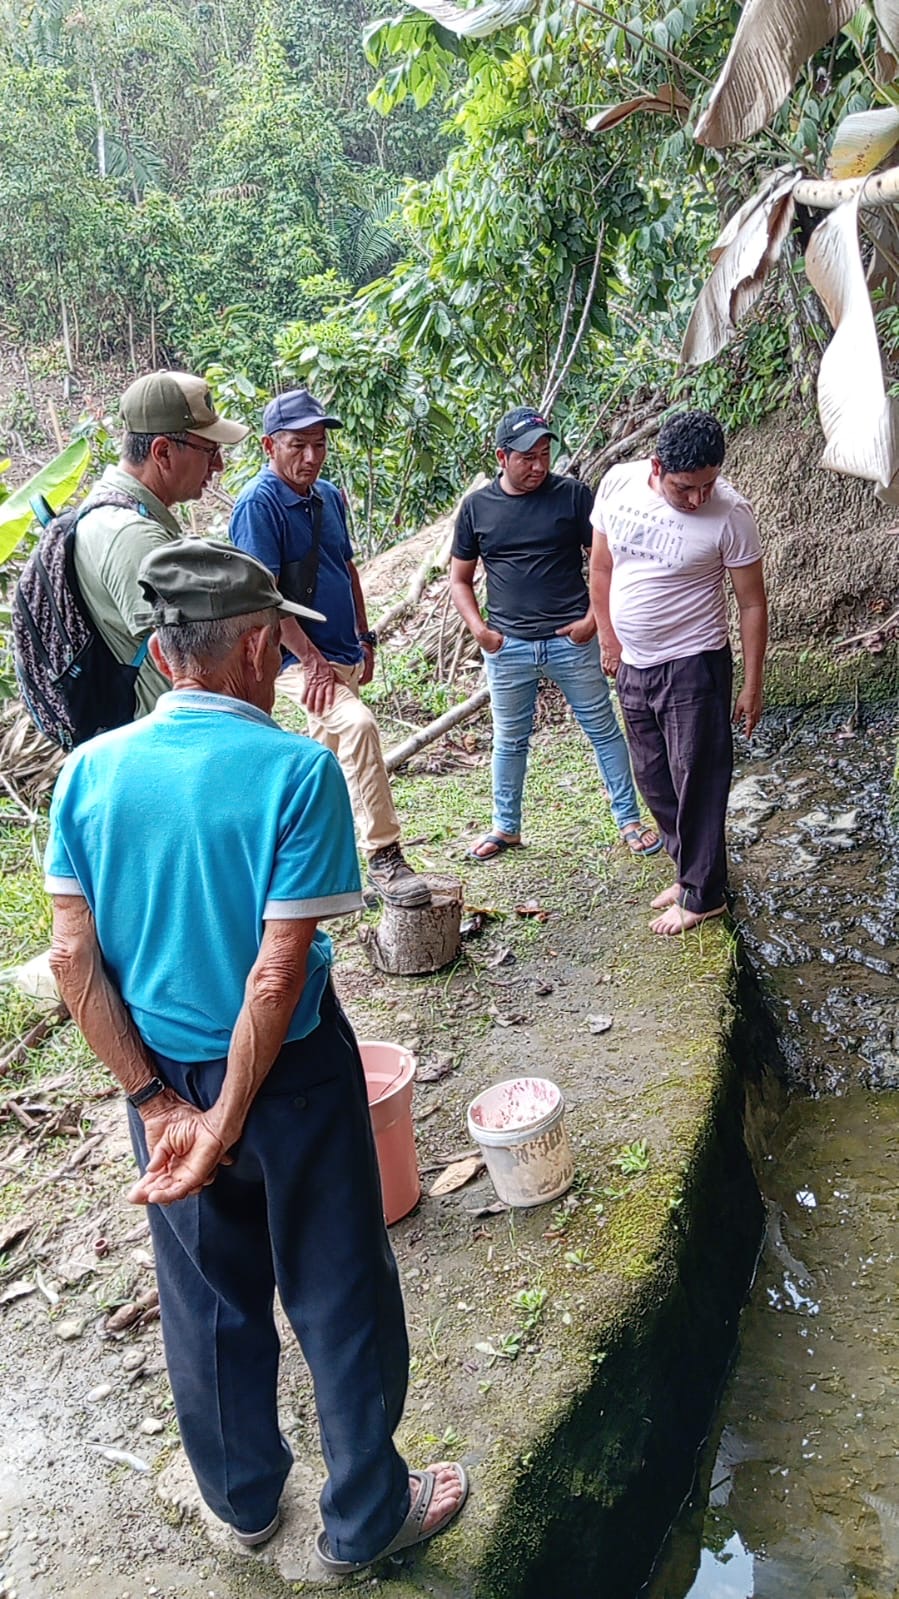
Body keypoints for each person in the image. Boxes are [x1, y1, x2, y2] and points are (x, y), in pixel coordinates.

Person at [44, 540, 468, 1575]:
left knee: (207, 1299)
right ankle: (366, 1520)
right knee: (339, 1290)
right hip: (288, 1080)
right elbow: (275, 979)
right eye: (276, 645)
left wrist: (160, 1106)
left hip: (161, 1080)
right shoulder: (297, 770)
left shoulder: (86, 773)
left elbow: (71, 959)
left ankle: (242, 1502)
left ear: (160, 654)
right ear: (251, 650)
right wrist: (226, 1120)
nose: (279, 663)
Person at [229, 389, 430, 909]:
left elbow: (346, 568)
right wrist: (312, 661)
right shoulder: (259, 504)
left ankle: (324, 874)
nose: (311, 456)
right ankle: (385, 855)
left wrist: (365, 636)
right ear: (269, 446)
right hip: (294, 660)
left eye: (319, 444)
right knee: (358, 727)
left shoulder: (328, 496)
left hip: (342, 652)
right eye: (298, 445)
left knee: (331, 761)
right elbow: (264, 599)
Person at [450, 405, 660, 861]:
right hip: (507, 647)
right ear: (502, 457)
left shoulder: (573, 496)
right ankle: (506, 827)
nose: (538, 466)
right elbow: (460, 578)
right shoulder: (477, 508)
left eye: (544, 454)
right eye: (527, 457)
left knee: (603, 729)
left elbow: (607, 562)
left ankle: (629, 819)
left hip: (571, 642)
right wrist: (481, 632)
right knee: (509, 740)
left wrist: (591, 621)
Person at [589, 409, 768, 936]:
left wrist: (752, 684)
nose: (697, 499)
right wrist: (608, 637)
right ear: (656, 466)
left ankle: (703, 895)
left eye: (707, 485)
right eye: (685, 487)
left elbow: (751, 604)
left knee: (699, 777)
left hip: (695, 661)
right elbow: (601, 566)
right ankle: (688, 870)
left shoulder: (731, 513)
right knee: (652, 776)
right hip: (635, 662)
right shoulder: (618, 484)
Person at [74, 369, 248, 714]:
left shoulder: (109, 513)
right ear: (163, 452)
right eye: (209, 450)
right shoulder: (133, 536)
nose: (218, 465)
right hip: (165, 731)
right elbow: (190, 663)